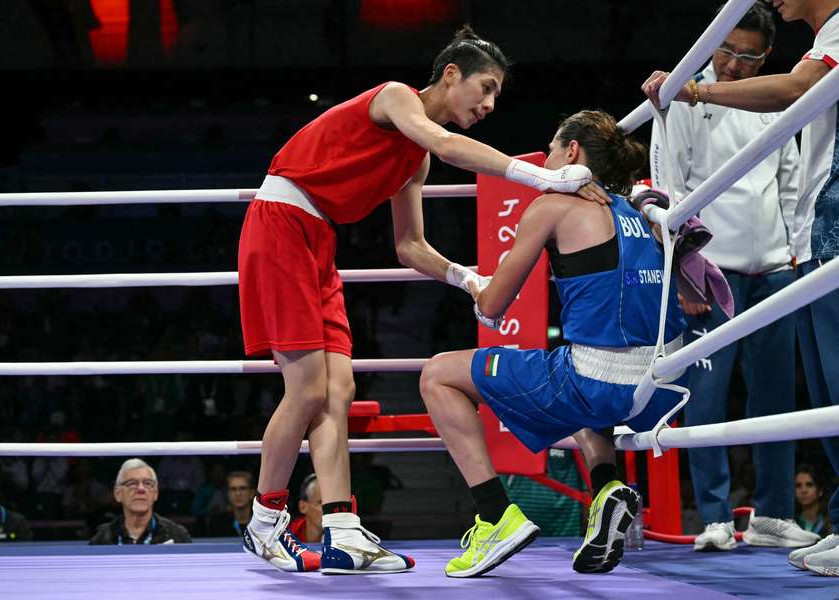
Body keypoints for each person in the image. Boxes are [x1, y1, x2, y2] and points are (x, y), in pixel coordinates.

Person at [237, 25, 608, 575]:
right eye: (484, 87)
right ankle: (266, 522)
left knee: (338, 389)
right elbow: (447, 143)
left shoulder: (414, 159)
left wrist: (469, 279)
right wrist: (542, 179)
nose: (488, 103)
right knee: (309, 387)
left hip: (319, 240)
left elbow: (409, 245)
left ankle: (341, 531)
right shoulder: (395, 98)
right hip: (281, 224)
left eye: (497, 97)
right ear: (450, 74)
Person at [419, 110, 687, 577]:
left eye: (550, 148)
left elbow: (496, 307)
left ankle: (494, 516)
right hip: (666, 387)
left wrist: (474, 288)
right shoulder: (642, 211)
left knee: (438, 375)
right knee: (579, 374)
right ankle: (607, 488)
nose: (544, 159)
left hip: (600, 381)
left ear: (572, 153)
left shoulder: (551, 206)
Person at [642, 0, 839, 576]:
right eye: (726, 52)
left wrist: (794, 256)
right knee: (706, 398)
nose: (733, 65)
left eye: (748, 56)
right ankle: (713, 517)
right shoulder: (684, 93)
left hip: (778, 266)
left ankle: (774, 515)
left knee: (781, 397)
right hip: (712, 271)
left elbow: (791, 182)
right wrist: (681, 270)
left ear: (765, 56)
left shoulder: (779, 88)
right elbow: (669, 189)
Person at [89, 458, 192, 545]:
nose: (141, 489)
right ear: (118, 494)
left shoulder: (177, 535)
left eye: (147, 483)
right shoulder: (103, 538)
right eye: (132, 483)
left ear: (155, 494)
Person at [203, 470, 256, 538]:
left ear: (251, 493)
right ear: (228, 494)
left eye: (243, 488)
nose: (238, 494)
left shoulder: (262, 523)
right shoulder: (217, 524)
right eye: (233, 489)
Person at [796, 464, 833, 536]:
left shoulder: (832, 522)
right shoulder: (789, 523)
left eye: (809, 485)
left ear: (820, 491)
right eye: (798, 486)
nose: (803, 490)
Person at [289, 473, 324, 543]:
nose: (328, 509)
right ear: (303, 507)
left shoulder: (342, 536)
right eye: (320, 502)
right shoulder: (288, 536)